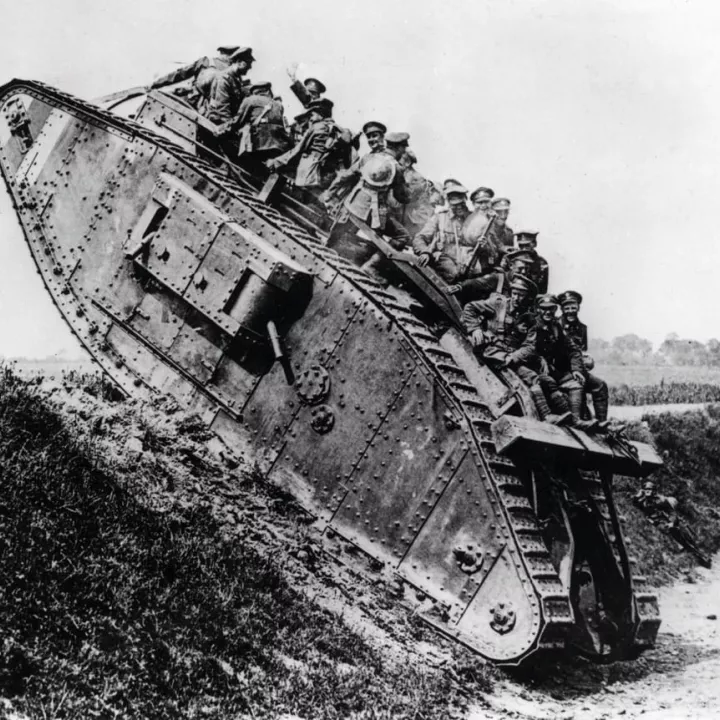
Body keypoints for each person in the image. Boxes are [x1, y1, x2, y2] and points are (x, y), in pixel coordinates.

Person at [461, 276, 572, 424]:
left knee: (547, 380)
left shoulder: (529, 318)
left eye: (521, 294)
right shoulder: (497, 304)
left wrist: (514, 357)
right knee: (531, 377)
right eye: (514, 293)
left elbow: (530, 346)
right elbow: (470, 308)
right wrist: (474, 329)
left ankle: (570, 418)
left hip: (510, 356)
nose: (517, 298)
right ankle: (546, 417)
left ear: (526, 296)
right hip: (492, 352)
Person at [323, 121, 410, 265]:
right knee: (402, 236)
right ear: (399, 148)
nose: (371, 140)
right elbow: (402, 197)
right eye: (369, 137)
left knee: (336, 237)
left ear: (384, 139)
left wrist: (329, 193)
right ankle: (371, 265)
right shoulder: (396, 167)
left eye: (375, 136)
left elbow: (345, 176)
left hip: (352, 205)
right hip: (374, 213)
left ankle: (333, 252)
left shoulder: (368, 158)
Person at [534, 294, 597, 430]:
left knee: (576, 385)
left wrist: (575, 370)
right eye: (544, 309)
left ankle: (576, 421)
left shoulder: (556, 327)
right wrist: (539, 358)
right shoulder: (532, 324)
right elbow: (525, 347)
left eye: (551, 309)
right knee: (547, 383)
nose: (548, 312)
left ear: (556, 310)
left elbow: (573, 349)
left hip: (553, 370)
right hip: (535, 369)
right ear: (538, 309)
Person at [266, 98, 352, 191]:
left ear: (320, 114)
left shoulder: (317, 126)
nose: (310, 118)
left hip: (308, 171)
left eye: (312, 115)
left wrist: (276, 162)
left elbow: (298, 149)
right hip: (326, 174)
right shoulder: (337, 129)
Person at [558, 290, 610, 425]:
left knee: (600, 385)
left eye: (573, 307)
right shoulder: (556, 325)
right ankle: (579, 421)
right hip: (562, 370)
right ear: (562, 309)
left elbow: (581, 351)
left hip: (579, 369)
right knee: (579, 386)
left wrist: (587, 360)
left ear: (578, 308)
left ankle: (601, 423)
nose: (570, 311)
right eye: (567, 307)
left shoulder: (582, 328)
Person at [233, 82, 291, 172]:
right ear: (268, 91)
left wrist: (221, 129)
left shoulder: (251, 100)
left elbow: (237, 121)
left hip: (259, 144)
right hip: (279, 146)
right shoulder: (279, 105)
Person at [149, 44, 240, 95]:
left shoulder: (206, 61)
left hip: (191, 97)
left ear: (221, 52)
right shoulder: (234, 73)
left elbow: (180, 74)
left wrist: (156, 84)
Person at [206, 48, 255, 126]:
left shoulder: (236, 79)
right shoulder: (224, 79)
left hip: (227, 122)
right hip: (218, 123)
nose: (250, 67)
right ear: (238, 62)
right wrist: (230, 129)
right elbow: (222, 110)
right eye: (248, 63)